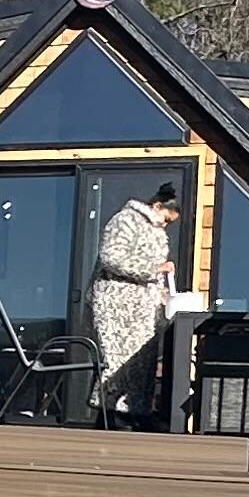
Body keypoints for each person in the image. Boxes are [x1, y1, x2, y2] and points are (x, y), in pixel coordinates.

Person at [84, 177, 181, 424]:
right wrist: (154, 268)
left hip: (142, 309)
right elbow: (111, 257)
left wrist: (160, 292)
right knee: (117, 362)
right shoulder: (126, 220)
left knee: (140, 363)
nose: (167, 225)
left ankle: (131, 414)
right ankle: (112, 417)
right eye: (168, 219)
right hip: (117, 306)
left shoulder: (154, 230)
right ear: (157, 206)